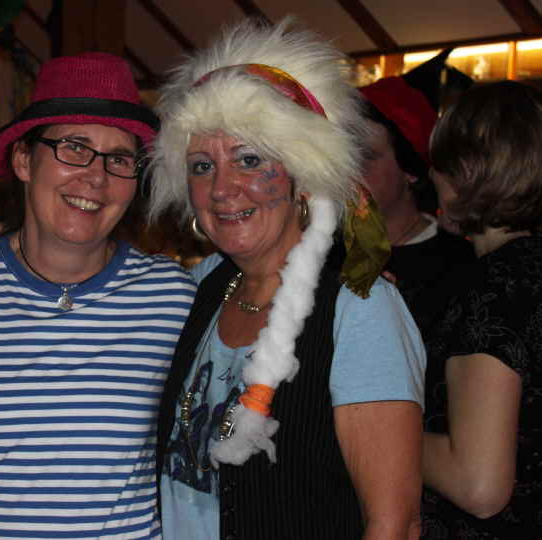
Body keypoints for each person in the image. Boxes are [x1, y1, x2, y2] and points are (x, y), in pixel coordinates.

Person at [0, 52, 197, 539]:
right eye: (74, 147)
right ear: (24, 160)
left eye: (120, 159)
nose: (96, 176)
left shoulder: (172, 298)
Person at [149, 18, 425, 539]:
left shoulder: (360, 309)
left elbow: (394, 523)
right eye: (202, 166)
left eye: (249, 160)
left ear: (304, 178)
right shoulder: (198, 287)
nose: (222, 189)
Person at [421, 80, 542, 538]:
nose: (431, 175)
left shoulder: (493, 289)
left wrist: (371, 427)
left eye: (439, 163)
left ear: (468, 170)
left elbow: (478, 485)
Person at [358, 63, 476, 335]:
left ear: (409, 172)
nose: (345, 170)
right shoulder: (317, 252)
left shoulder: (460, 266)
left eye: (364, 157)